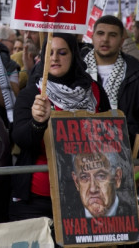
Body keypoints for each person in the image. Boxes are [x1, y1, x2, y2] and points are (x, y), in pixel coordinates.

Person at [11, 33, 110, 223]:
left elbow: (112, 134)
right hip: (38, 199)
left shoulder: (95, 91)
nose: (55, 58)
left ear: (74, 55)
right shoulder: (32, 94)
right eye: (50, 53)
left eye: (62, 52)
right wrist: (37, 122)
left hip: (87, 198)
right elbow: (20, 138)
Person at [82, 16, 139, 162]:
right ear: (92, 37)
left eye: (112, 35)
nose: (105, 39)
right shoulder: (75, 70)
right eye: (100, 33)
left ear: (122, 41)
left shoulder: (138, 74)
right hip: (80, 156)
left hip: (127, 158)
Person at [71, 152, 131, 218]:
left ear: (117, 178)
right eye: (84, 177)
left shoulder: (134, 212)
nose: (93, 189)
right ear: (76, 182)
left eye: (101, 176)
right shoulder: (66, 216)